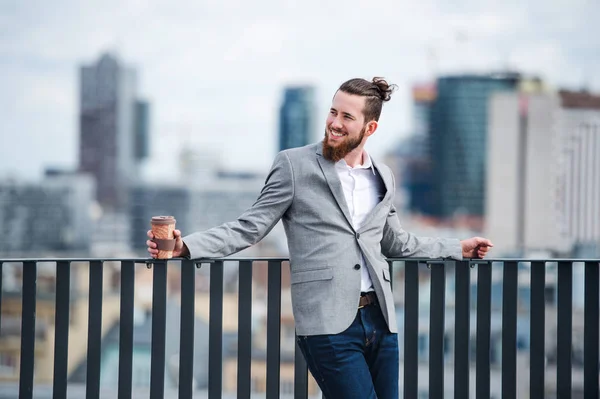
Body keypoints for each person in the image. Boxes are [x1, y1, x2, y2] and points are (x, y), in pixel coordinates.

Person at [146, 77, 493, 399]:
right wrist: (185, 246)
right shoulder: (294, 165)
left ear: (370, 128)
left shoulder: (383, 176)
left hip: (381, 320)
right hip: (327, 324)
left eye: (347, 116)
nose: (335, 122)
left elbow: (394, 242)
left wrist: (456, 248)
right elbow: (249, 226)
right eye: (333, 111)